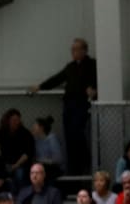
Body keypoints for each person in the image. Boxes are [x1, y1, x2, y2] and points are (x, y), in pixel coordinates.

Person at [29, 37, 98, 175]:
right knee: (69, 136)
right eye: (72, 49)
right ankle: (74, 167)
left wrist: (94, 91)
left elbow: (98, 80)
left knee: (77, 132)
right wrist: (40, 87)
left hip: (82, 103)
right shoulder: (70, 67)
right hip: (69, 104)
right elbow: (57, 79)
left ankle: (85, 161)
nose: (73, 52)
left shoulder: (92, 64)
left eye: (76, 49)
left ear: (84, 50)